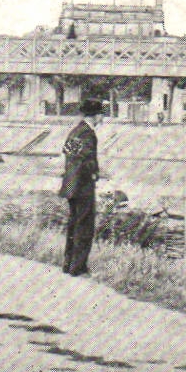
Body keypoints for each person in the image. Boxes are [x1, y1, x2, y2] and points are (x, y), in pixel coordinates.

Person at [60, 97, 102, 275]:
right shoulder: (88, 133)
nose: (102, 119)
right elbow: (87, 160)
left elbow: (68, 154)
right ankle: (79, 268)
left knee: (73, 225)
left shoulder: (75, 131)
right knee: (85, 227)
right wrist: (95, 173)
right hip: (83, 185)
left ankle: (68, 265)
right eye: (101, 115)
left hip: (71, 185)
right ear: (96, 115)